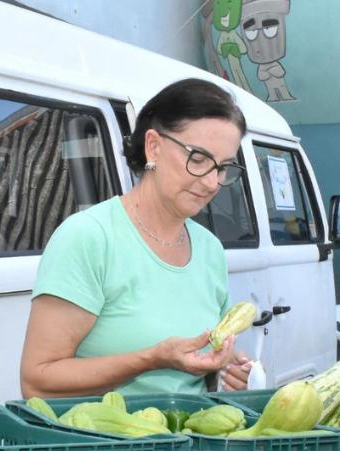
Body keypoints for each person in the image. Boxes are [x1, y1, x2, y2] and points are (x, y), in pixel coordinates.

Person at [20, 77, 254, 398]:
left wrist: (224, 368)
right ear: (154, 146)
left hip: (186, 442)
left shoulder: (210, 249)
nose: (213, 182)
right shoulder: (89, 238)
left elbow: (204, 370)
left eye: (224, 167)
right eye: (198, 159)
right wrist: (150, 360)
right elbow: (37, 380)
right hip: (105, 445)